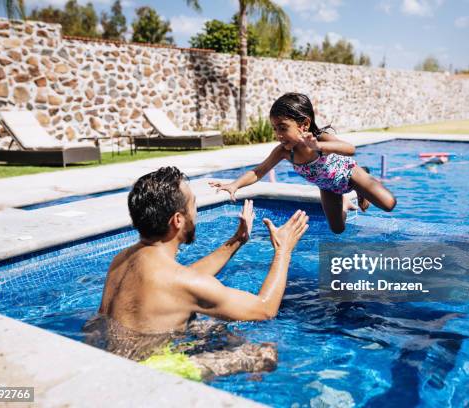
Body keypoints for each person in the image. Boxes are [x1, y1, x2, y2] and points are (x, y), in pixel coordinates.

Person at [90, 166, 309, 377]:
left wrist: (237, 241)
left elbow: (179, 279)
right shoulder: (179, 283)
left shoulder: (122, 259)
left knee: (209, 328)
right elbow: (264, 309)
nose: (196, 211)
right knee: (265, 354)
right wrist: (283, 250)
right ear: (177, 220)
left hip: (113, 359)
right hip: (148, 372)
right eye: (193, 204)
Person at [209, 92, 396, 234]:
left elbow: (350, 149)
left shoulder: (320, 137)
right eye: (275, 129)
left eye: (283, 128)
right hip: (328, 188)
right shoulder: (284, 152)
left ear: (304, 125)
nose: (278, 135)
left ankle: (361, 187)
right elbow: (259, 171)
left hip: (350, 174)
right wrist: (234, 185)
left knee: (389, 204)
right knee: (338, 230)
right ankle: (344, 203)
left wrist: (320, 146)